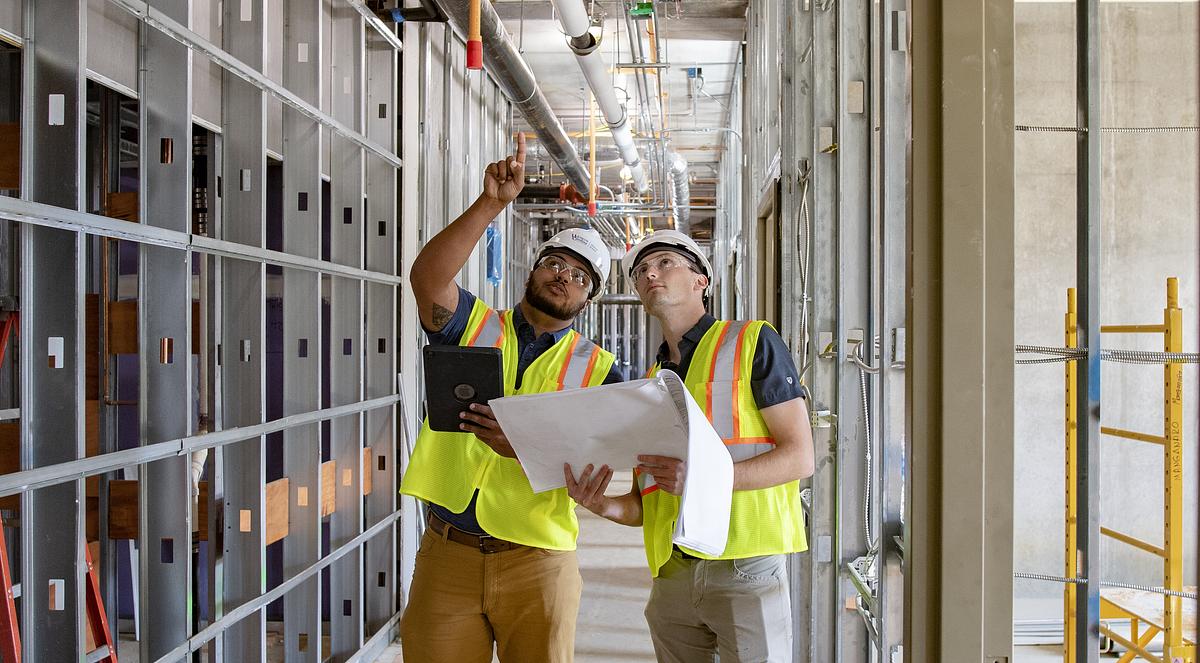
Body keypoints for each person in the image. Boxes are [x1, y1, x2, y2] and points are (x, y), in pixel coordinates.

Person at [400, 132, 621, 663]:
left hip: (538, 559)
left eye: (580, 276)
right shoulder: (473, 325)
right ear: (534, 269)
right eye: (556, 264)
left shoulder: (602, 373)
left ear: (589, 298)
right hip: (446, 549)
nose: (563, 277)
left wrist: (523, 447)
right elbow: (428, 279)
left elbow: (602, 466)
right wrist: (491, 204)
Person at [563, 229, 815, 662]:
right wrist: (601, 505)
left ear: (701, 280)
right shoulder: (653, 381)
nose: (650, 274)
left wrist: (702, 480)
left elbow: (800, 457)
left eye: (665, 262)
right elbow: (648, 504)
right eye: (641, 270)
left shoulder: (751, 341)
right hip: (673, 571)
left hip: (745, 562)